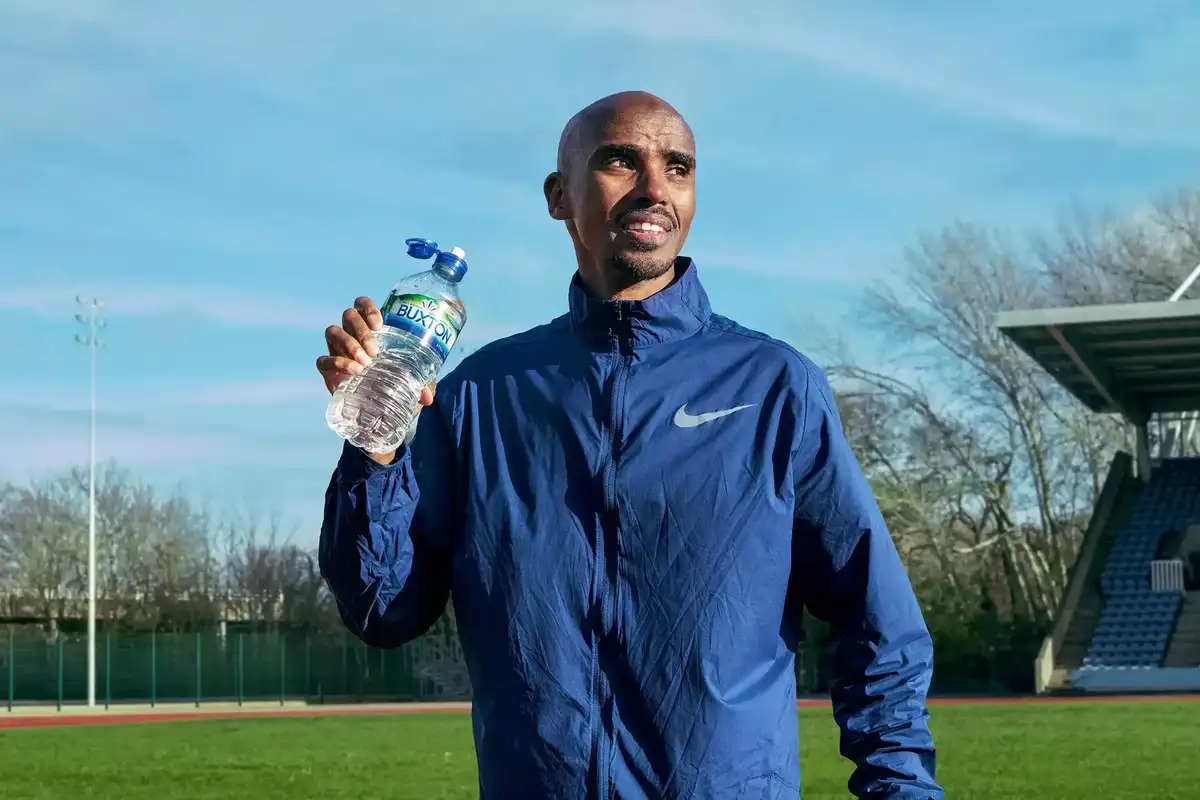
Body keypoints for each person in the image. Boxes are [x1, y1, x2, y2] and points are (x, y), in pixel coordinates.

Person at [317, 91, 941, 799]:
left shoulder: (773, 387)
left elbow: (877, 619)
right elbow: (380, 608)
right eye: (621, 160)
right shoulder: (478, 396)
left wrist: (900, 789)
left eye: (678, 168)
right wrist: (375, 446)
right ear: (559, 195)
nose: (654, 189)